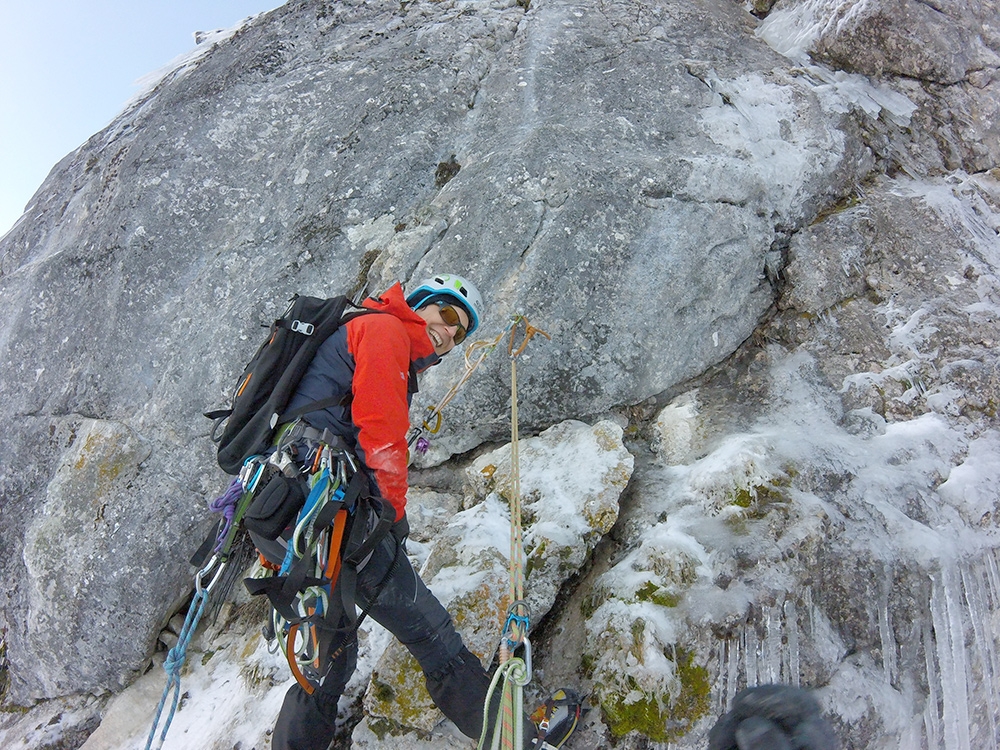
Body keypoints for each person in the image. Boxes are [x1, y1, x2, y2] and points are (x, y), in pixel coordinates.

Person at [248, 274, 578, 750]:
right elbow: (381, 439)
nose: (448, 332)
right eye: (445, 315)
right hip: (328, 513)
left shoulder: (360, 327)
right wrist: (393, 516)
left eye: (460, 331)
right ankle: (519, 743)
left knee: (329, 659)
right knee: (433, 636)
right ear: (419, 304)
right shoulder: (383, 331)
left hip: (286, 510)